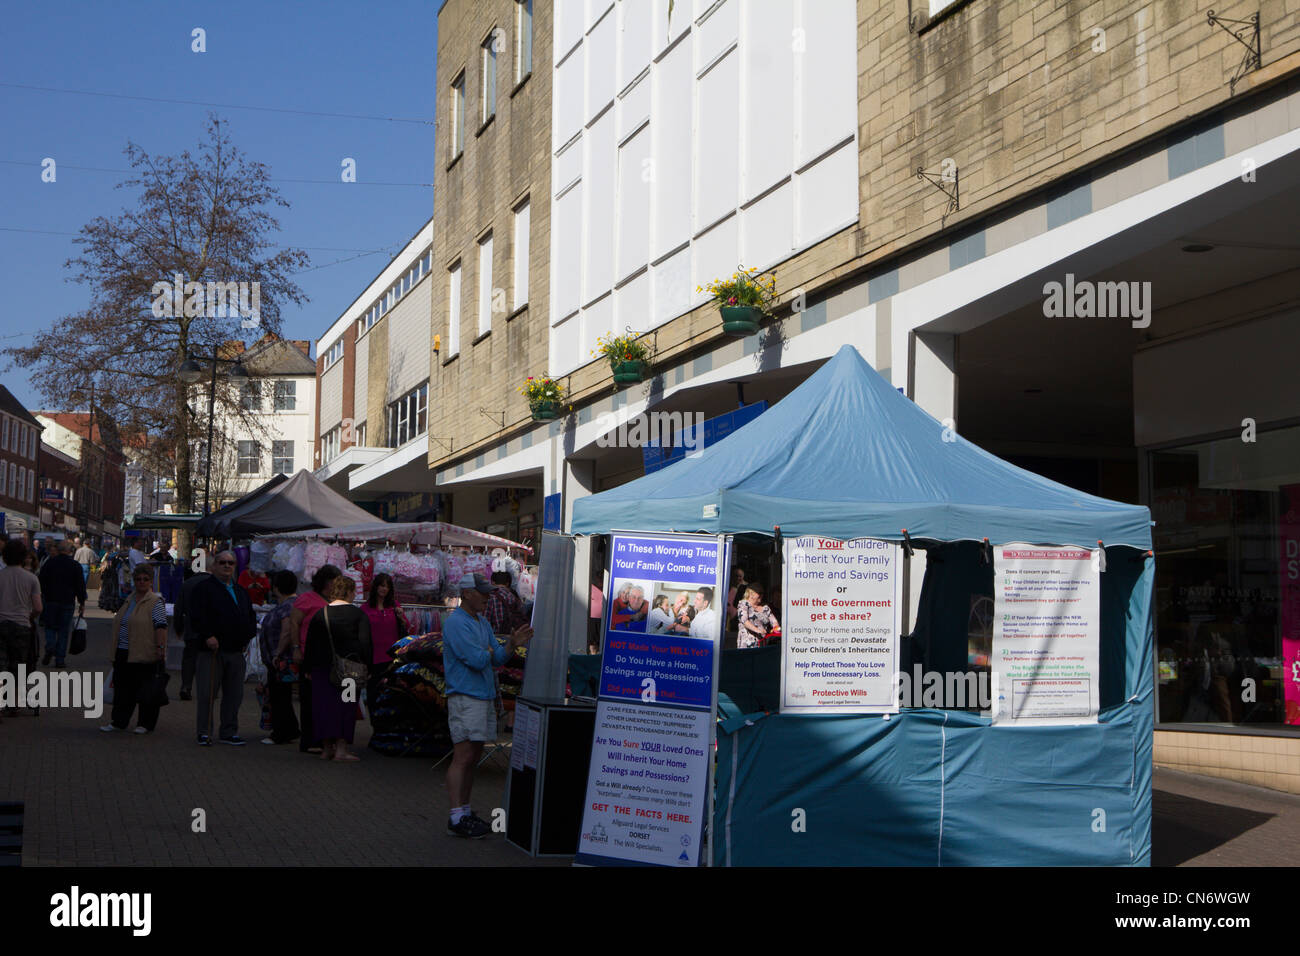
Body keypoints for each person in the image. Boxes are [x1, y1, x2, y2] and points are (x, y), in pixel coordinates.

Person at [442, 573, 532, 838]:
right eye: (482, 592)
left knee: (472, 757)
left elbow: (495, 658)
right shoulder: (456, 623)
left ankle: (464, 813)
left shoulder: (481, 622)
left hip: (481, 696)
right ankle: (457, 815)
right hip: (465, 696)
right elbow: (477, 659)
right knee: (463, 757)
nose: (487, 597)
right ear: (467, 593)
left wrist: (511, 645)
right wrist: (499, 650)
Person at [187, 550, 257, 746]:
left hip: (236, 650)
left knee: (234, 694)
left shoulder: (241, 591)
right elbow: (196, 616)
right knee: (207, 693)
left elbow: (250, 616)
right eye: (223, 562)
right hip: (212, 650)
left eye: (231, 563)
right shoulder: (203, 589)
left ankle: (228, 731)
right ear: (214, 566)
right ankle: (204, 731)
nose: (227, 566)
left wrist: (248, 636)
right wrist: (208, 635)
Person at [303, 575, 372, 762]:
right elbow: (365, 644)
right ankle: (341, 749)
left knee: (323, 707)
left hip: (322, 670)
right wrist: (368, 666)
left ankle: (326, 749)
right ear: (350, 592)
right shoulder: (358, 615)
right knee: (346, 707)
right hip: (350, 672)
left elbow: (310, 644)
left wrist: (307, 668)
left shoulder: (320, 614)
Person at [280, 564, 343, 754]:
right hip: (310, 654)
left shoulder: (337, 600)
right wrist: (296, 648)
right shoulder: (306, 599)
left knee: (327, 700)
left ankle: (325, 739)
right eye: (333, 581)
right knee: (309, 699)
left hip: (331, 657)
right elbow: (294, 623)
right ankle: (309, 740)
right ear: (324, 581)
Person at [101, 566, 168, 734]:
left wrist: (161, 648)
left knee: (146, 690)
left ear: (151, 581)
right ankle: (119, 721)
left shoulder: (155, 602)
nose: (142, 582)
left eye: (145, 579)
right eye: (138, 579)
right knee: (122, 690)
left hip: (144, 652)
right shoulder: (129, 599)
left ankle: (145, 723)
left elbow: (161, 626)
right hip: (123, 651)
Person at [257, 570, 301, 745]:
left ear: (276, 587)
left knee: (279, 696)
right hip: (277, 659)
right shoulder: (287, 604)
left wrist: (278, 653)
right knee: (279, 695)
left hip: (281, 660)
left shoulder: (287, 606)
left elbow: (287, 630)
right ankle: (289, 729)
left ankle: (282, 732)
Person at [0, 540, 42, 720]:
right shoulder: (31, 578)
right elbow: (38, 607)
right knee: (18, 665)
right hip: (21, 626)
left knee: (1, 663)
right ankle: (14, 702)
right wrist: (29, 617)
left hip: (1, 624)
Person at [361, 572, 410, 719]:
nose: (384, 589)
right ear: (376, 586)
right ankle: (375, 725)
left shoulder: (395, 606)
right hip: (373, 659)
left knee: (391, 695)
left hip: (392, 658)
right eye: (382, 585)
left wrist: (401, 616)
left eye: (387, 586)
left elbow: (407, 627)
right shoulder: (365, 608)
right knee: (373, 695)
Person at [38, 540, 86, 668]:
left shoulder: (50, 563)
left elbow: (41, 580)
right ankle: (60, 659)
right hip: (67, 601)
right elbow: (80, 585)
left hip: (51, 600)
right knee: (64, 631)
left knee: (50, 626)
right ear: (69, 551)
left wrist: (44, 595)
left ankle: (50, 646)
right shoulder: (75, 565)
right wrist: (82, 602)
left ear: (58, 550)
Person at [173, 562, 213, 700]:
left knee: (189, 659)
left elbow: (178, 609)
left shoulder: (187, 584)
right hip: (212, 630)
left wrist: (178, 628)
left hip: (192, 629)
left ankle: (186, 686)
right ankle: (208, 689)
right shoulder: (216, 584)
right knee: (209, 660)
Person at [484, 571, 527, 636]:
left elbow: (485, 621)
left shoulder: (490, 596)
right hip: (514, 636)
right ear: (507, 583)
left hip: (496, 637)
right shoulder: (514, 595)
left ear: (492, 582)